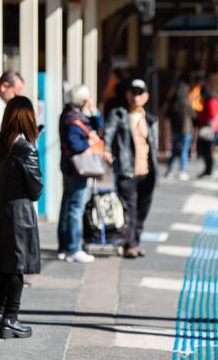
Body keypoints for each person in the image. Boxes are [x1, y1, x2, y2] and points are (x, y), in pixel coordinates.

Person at [0, 96, 42, 339]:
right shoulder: (27, 148)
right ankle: (11, 318)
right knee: (16, 267)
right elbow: (36, 189)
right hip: (18, 214)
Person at [104, 79, 159, 259]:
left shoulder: (150, 119)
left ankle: (135, 240)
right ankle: (130, 244)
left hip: (148, 173)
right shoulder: (119, 115)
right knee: (130, 208)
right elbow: (108, 133)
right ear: (128, 95)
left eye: (140, 93)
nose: (136, 96)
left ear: (146, 96)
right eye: (133, 92)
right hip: (127, 171)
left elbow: (154, 147)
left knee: (143, 209)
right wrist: (106, 150)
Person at [57, 85, 103, 263]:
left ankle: (65, 246)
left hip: (69, 168)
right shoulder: (74, 119)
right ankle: (74, 248)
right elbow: (76, 145)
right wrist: (90, 143)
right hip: (77, 169)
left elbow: (99, 125)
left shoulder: (69, 114)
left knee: (67, 206)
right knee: (75, 208)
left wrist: (95, 113)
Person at [166, 81, 195, 181]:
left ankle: (169, 171)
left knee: (173, 151)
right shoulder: (187, 103)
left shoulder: (173, 103)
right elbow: (194, 115)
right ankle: (182, 171)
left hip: (175, 130)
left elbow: (167, 115)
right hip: (186, 131)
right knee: (184, 151)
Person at [196, 85, 218, 179]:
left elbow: (213, 115)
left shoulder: (211, 101)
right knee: (206, 150)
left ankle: (209, 170)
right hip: (208, 127)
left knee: (207, 150)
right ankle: (208, 169)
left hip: (208, 128)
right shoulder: (211, 100)